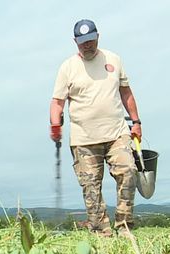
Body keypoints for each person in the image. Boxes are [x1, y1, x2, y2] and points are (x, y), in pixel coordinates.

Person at [50, 19, 142, 237]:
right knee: (91, 186)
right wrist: (55, 124)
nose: (87, 45)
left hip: (116, 132)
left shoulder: (114, 60)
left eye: (90, 41)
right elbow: (57, 102)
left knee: (128, 171)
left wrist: (136, 122)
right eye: (82, 42)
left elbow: (126, 92)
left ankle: (124, 225)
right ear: (75, 42)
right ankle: (102, 231)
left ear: (97, 37)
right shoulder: (67, 67)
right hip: (84, 139)